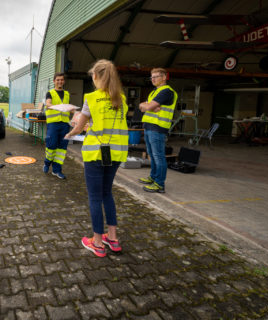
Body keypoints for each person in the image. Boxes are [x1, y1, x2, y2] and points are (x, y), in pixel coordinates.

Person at [64, 59, 128, 257]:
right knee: (107, 193)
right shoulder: (122, 98)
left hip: (95, 152)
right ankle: (113, 239)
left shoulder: (91, 98)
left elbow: (78, 126)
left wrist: (70, 132)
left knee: (94, 197)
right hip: (116, 152)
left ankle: (97, 243)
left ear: (95, 76)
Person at [138, 68, 177, 193]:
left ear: (164, 77)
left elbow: (147, 106)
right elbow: (142, 106)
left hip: (158, 128)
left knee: (158, 156)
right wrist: (147, 106)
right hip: (150, 127)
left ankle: (159, 184)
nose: (153, 79)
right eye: (151, 77)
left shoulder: (166, 91)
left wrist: (148, 106)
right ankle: (153, 177)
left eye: (156, 76)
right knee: (152, 155)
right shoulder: (155, 91)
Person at [43, 72, 72, 179]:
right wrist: (58, 107)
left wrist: (78, 116)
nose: (60, 81)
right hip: (53, 124)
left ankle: (57, 170)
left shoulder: (67, 94)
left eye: (62, 80)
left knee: (62, 148)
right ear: (54, 81)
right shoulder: (50, 93)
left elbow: (69, 108)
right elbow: (48, 104)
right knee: (51, 145)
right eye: (58, 80)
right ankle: (47, 162)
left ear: (64, 81)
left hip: (65, 124)